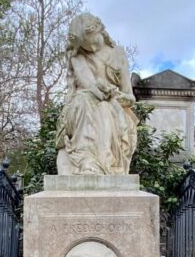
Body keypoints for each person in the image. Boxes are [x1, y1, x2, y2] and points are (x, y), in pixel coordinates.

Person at [56, 13, 138, 175]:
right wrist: (100, 90)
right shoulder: (77, 56)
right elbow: (89, 86)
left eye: (93, 42)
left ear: (100, 30)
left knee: (104, 107)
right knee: (87, 99)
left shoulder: (118, 54)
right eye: (86, 47)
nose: (91, 49)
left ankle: (99, 163)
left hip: (114, 107)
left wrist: (120, 97)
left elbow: (130, 97)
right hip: (80, 107)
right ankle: (87, 162)